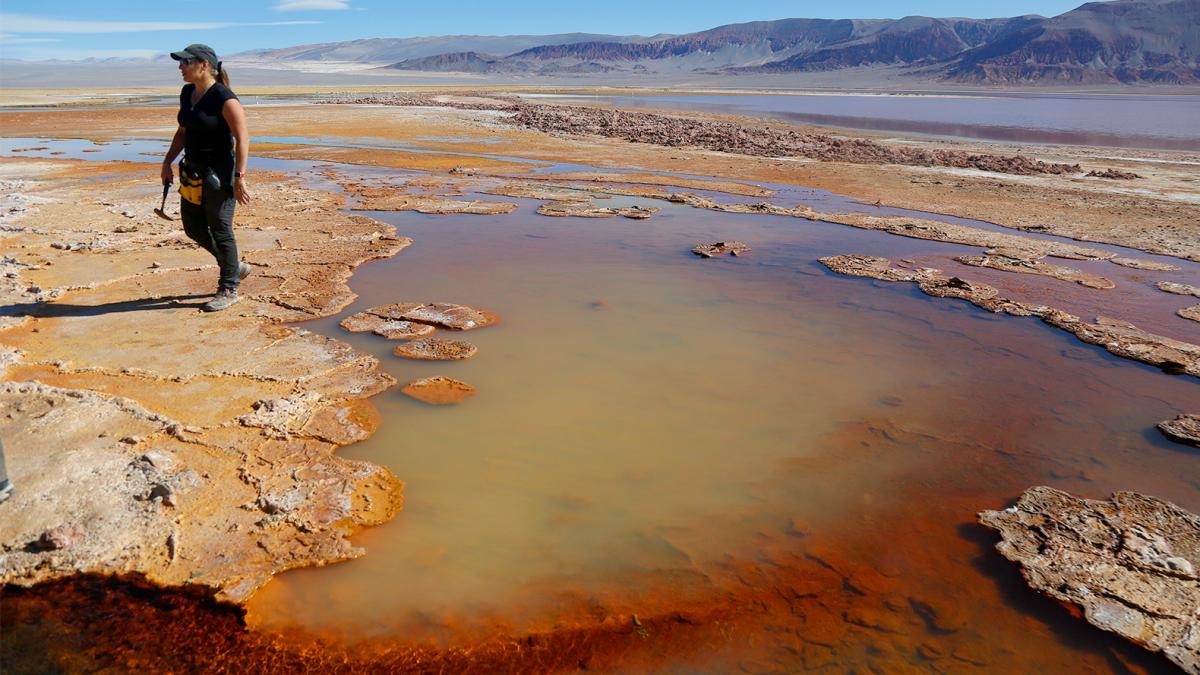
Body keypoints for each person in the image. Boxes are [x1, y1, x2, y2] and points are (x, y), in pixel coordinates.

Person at [161, 43, 253, 312]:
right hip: (193, 171)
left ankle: (229, 287)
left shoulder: (225, 98)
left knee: (221, 229)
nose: (180, 67)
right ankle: (235, 266)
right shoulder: (187, 92)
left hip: (220, 174)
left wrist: (240, 176)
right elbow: (182, 132)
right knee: (193, 227)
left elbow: (243, 139)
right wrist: (167, 162)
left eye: (185, 62)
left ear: (203, 64)